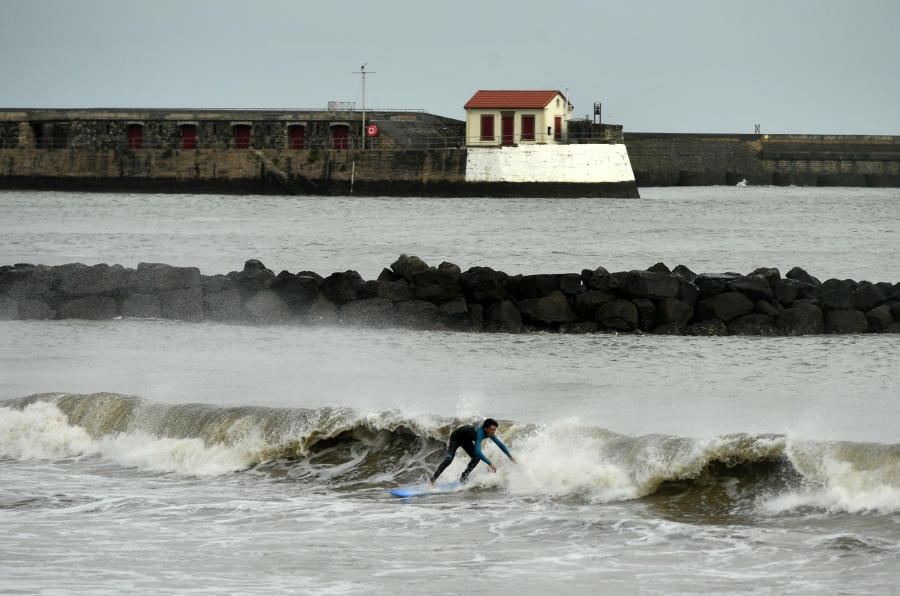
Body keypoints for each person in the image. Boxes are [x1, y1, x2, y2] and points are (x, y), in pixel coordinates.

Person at [430, 418, 516, 485]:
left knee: (476, 458)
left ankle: (463, 478)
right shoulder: (480, 433)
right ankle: (432, 480)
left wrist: (510, 456)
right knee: (448, 459)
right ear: (485, 428)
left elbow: (500, 444)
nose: (493, 432)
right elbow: (478, 451)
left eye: (494, 430)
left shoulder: (490, 433)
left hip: (466, 440)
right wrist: (490, 463)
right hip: (456, 438)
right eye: (491, 429)